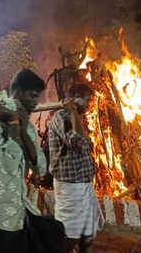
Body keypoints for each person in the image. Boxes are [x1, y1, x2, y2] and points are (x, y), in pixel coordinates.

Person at [0, 69, 47, 253]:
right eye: (32, 96)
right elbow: (8, 165)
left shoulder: (27, 125)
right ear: (17, 91)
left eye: (37, 97)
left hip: (19, 210)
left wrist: (22, 130)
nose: (36, 102)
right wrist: (14, 125)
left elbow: (41, 167)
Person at [49, 83, 103, 253]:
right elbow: (78, 142)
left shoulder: (76, 119)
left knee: (87, 236)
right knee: (70, 236)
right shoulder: (62, 117)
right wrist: (72, 111)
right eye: (86, 100)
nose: (89, 104)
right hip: (70, 188)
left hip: (84, 185)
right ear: (76, 99)